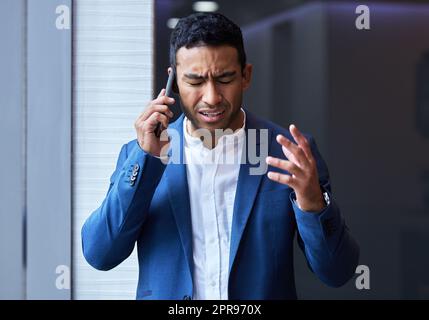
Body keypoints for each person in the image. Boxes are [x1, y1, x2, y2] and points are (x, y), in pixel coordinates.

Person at [82, 12, 359, 300]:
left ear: (245, 76)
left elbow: (337, 272)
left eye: (225, 78)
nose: (212, 97)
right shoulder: (140, 154)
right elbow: (100, 254)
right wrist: (145, 160)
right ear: (174, 83)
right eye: (195, 81)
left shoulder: (289, 153)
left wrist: (314, 204)